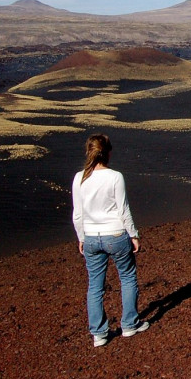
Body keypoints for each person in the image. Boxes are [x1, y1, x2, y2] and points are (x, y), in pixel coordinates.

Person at [71, 133, 149, 347]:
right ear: (108, 153)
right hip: (115, 234)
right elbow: (123, 210)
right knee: (127, 277)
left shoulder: (80, 178)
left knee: (95, 286)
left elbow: (77, 214)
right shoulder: (115, 177)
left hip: (91, 237)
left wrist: (81, 237)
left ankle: (99, 333)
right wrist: (133, 235)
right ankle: (130, 325)